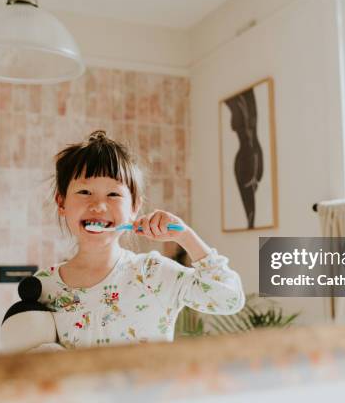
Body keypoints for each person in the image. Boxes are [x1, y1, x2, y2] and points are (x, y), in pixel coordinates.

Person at [34, 130, 245, 349]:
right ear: (61, 203)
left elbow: (229, 299)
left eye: (113, 194)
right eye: (85, 192)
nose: (98, 205)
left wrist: (185, 236)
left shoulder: (152, 273)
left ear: (135, 207)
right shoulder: (42, 285)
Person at [224, 89, 263, 229]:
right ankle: (250, 223)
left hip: (247, 159)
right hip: (246, 159)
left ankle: (250, 223)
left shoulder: (249, 113)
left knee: (250, 214)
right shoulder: (250, 112)